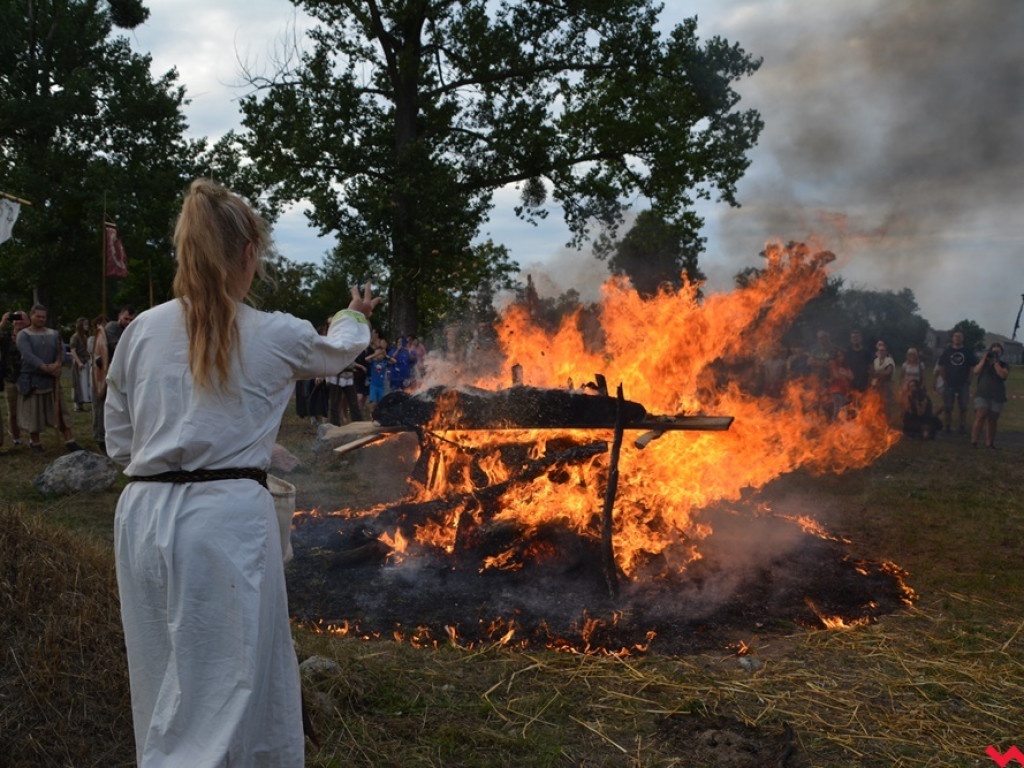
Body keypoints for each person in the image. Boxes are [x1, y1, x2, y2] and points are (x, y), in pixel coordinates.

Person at [106, 179, 380, 766]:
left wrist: (189, 450)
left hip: (141, 518)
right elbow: (339, 349)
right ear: (248, 253)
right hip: (224, 524)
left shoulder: (139, 332)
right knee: (227, 688)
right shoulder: (273, 332)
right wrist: (353, 313)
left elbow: (120, 442)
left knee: (164, 673)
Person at [16, 304, 81, 453]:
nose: (41, 319)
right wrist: (44, 367)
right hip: (33, 380)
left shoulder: (54, 334)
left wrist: (57, 364)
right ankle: (36, 443)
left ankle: (70, 441)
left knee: (61, 411)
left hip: (52, 380)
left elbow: (61, 352)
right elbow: (28, 355)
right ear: (31, 316)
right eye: (38, 316)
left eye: (43, 317)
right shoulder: (24, 335)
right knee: (34, 413)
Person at [970, 342, 1009, 449]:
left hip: (997, 394)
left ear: (1001, 353)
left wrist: (995, 363)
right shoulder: (984, 364)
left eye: (998, 352)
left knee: (993, 420)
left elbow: (1003, 375)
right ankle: (974, 441)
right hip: (983, 392)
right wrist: (984, 359)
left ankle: (989, 443)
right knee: (980, 416)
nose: (995, 353)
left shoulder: (1003, 364)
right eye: (993, 351)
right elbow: (975, 371)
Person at [936, 331, 976, 434]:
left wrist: (969, 380)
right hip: (949, 383)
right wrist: (944, 379)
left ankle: (962, 427)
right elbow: (941, 366)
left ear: (962, 339)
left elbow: (972, 367)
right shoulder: (947, 352)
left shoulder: (967, 352)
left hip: (963, 384)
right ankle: (947, 426)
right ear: (952, 339)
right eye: (955, 336)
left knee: (963, 407)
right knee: (948, 406)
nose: (957, 338)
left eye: (959, 336)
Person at [0, 310, 28, 450]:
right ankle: (16, 438)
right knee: (13, 411)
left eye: (21, 318)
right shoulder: (6, 337)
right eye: (15, 318)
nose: (18, 321)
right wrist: (2, 323)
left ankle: (33, 437)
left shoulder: (30, 335)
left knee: (30, 409)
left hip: (28, 377)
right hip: (10, 378)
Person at [90, 315, 109, 453]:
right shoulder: (93, 339)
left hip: (107, 373)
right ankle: (99, 435)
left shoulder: (108, 337)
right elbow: (98, 355)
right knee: (98, 406)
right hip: (98, 374)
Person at [69, 316, 92, 411]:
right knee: (78, 383)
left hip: (86, 361)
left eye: (87, 324)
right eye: (85, 324)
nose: (87, 326)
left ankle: (82, 403)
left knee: (85, 383)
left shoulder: (86, 336)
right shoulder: (75, 337)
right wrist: (79, 362)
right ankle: (77, 405)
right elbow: (73, 351)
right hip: (79, 362)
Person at [870, 340, 896, 418]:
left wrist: (878, 374)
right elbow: (872, 372)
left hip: (886, 385)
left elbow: (888, 372)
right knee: (877, 404)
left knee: (886, 405)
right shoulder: (876, 361)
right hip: (877, 386)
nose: (881, 352)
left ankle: (887, 421)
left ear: (886, 352)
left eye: (883, 350)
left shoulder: (889, 360)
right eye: (880, 350)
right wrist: (880, 373)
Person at [828, 349, 854, 420]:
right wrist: (846, 375)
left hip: (844, 391)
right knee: (838, 409)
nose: (840, 357)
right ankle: (833, 425)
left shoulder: (846, 366)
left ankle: (840, 425)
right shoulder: (833, 364)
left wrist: (843, 375)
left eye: (841, 356)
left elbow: (852, 377)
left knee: (843, 410)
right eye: (838, 356)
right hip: (835, 390)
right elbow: (836, 375)